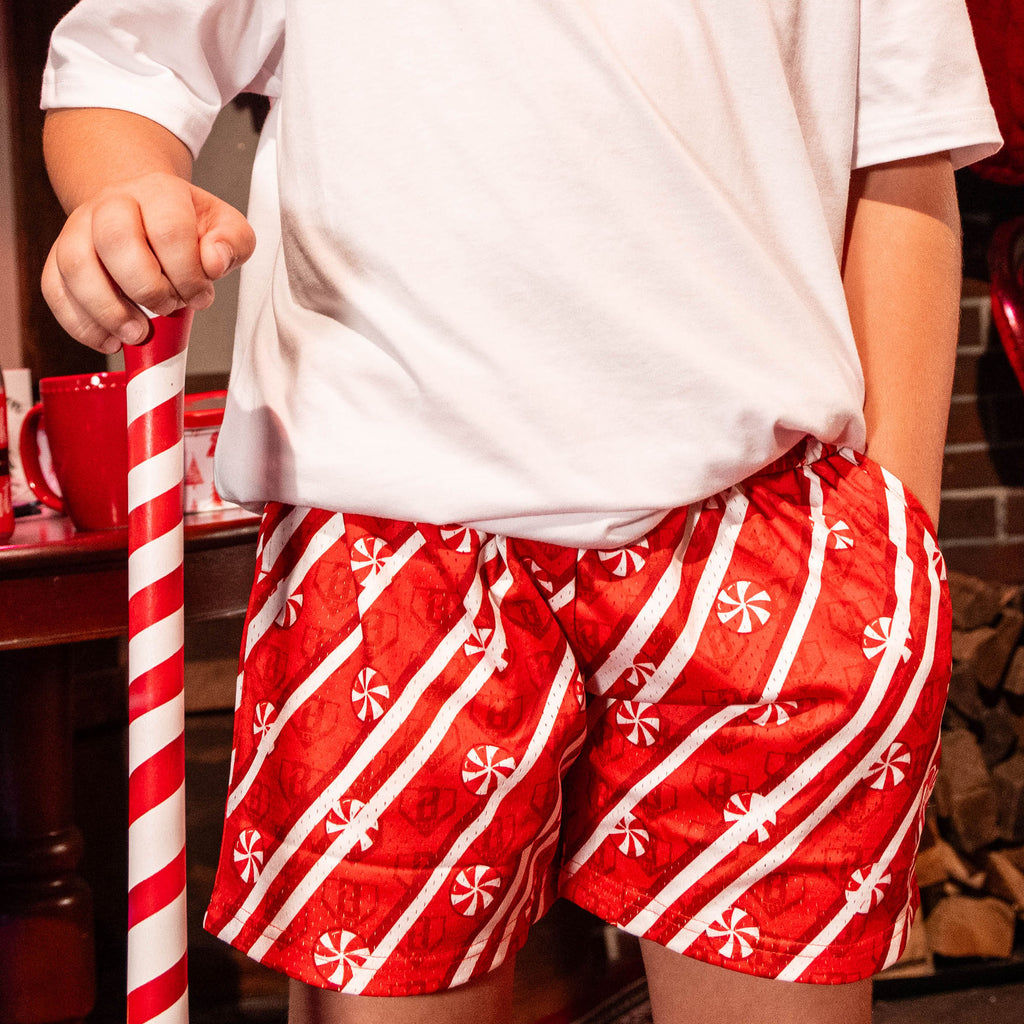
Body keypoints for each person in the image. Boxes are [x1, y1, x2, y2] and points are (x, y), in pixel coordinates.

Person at [40, 3, 1000, 1022]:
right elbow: (127, 63)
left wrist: (897, 543)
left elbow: (897, 150)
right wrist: (125, 195)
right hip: (389, 535)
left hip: (766, 532)